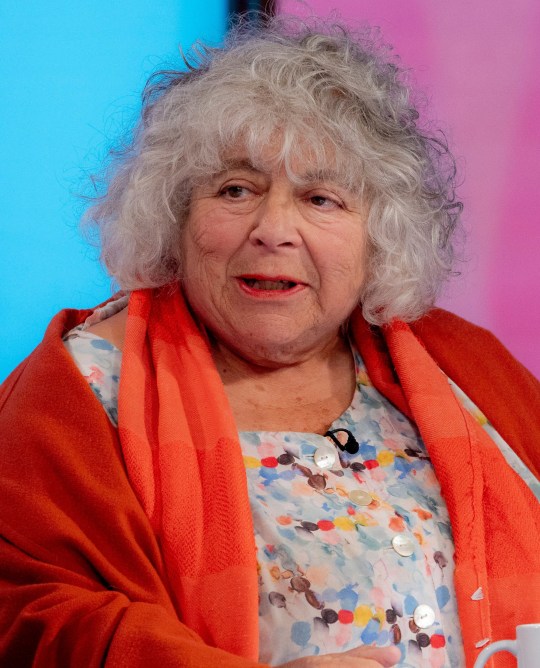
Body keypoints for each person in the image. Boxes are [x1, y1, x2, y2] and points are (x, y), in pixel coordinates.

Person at [0, 15, 539, 668]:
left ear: (379, 235)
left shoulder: (467, 367)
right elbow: (31, 614)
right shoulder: (81, 389)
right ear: (174, 216)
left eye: (320, 199)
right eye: (236, 190)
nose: (273, 229)